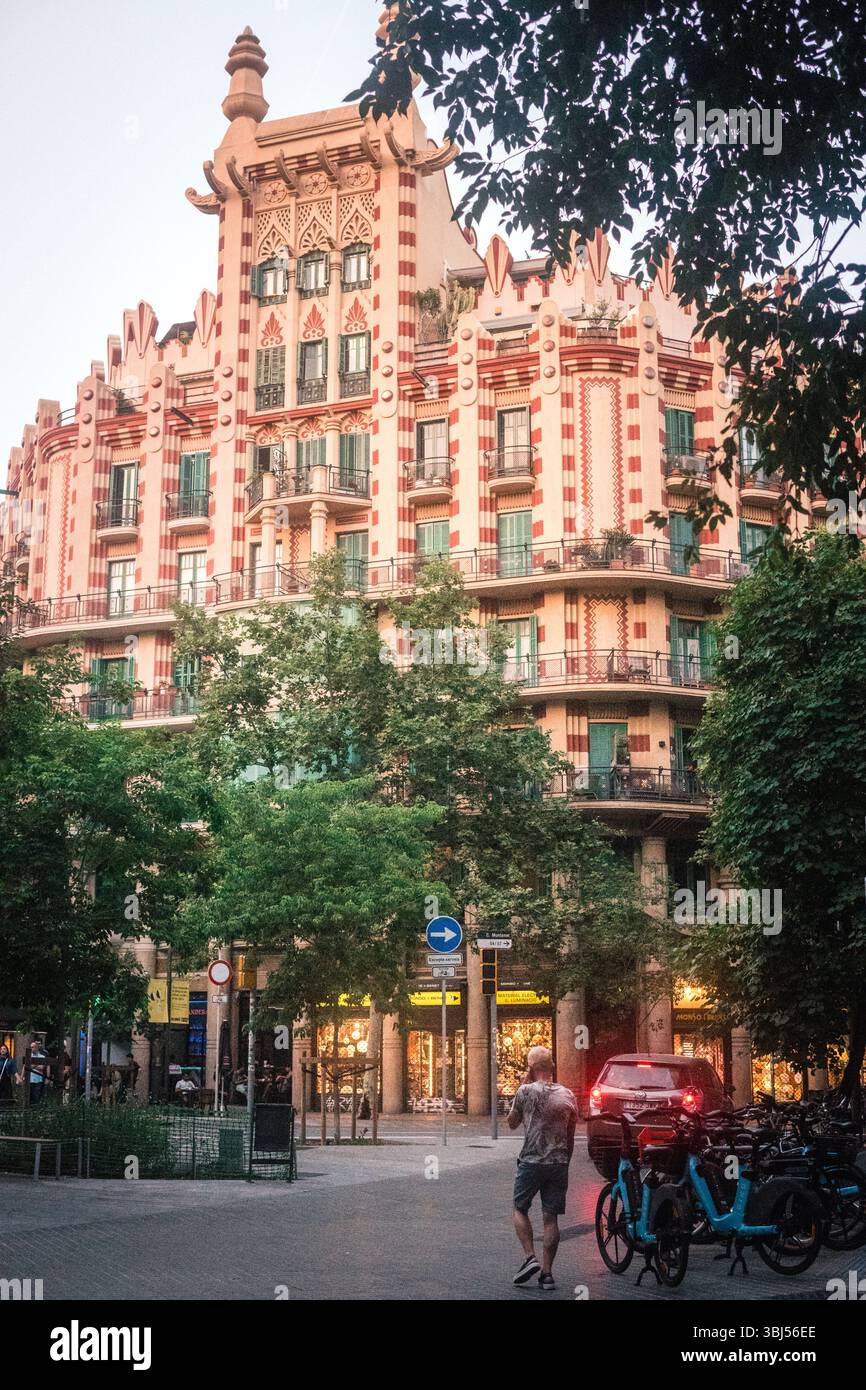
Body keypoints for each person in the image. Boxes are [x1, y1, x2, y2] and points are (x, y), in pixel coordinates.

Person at [506, 1044, 578, 1291]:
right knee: (551, 1218)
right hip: (558, 1163)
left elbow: (512, 1124)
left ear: (531, 1068)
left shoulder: (525, 1091)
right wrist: (565, 1160)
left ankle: (530, 1257)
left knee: (519, 1207)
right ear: (553, 1067)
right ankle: (547, 1275)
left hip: (531, 1161)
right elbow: (570, 1135)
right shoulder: (568, 1095)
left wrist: (522, 1086)